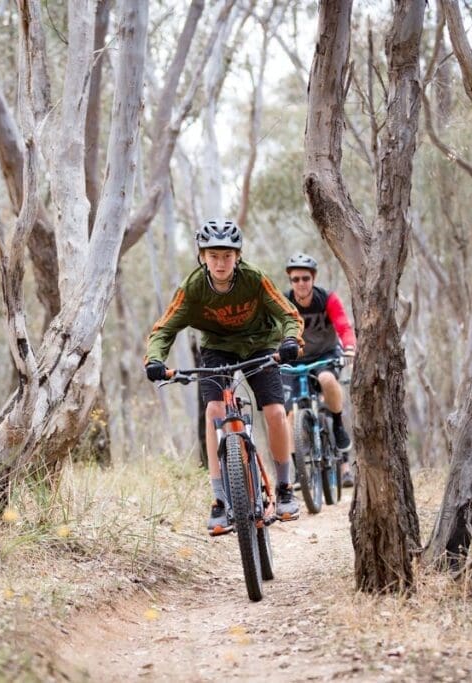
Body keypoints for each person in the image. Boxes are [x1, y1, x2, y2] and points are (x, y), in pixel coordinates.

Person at [144, 219, 305, 533]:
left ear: (238, 256)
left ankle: (285, 488)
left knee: (274, 411)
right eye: (213, 255)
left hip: (261, 345)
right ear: (202, 256)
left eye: (227, 256)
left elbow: (289, 314)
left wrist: (289, 341)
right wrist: (155, 359)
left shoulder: (254, 279)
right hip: (217, 349)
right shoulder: (193, 288)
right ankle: (219, 500)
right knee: (214, 410)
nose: (220, 262)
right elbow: (163, 329)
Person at [282, 253, 357, 485]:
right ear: (290, 281)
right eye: (295, 279)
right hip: (295, 360)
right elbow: (271, 331)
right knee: (289, 414)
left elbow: (344, 326)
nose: (301, 283)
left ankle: (336, 423)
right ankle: (299, 472)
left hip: (325, 355)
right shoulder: (284, 303)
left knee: (327, 379)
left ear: (313, 279)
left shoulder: (327, 299)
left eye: (305, 278)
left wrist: (350, 348)